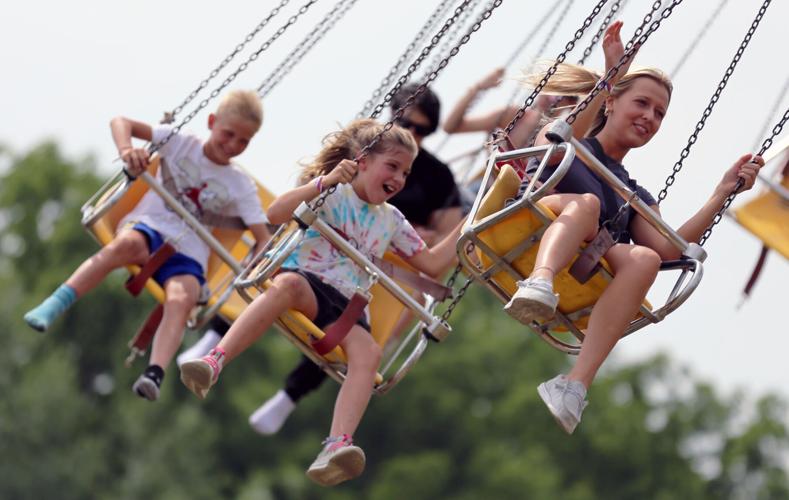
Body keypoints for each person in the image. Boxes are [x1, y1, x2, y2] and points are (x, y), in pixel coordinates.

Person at [502, 21, 763, 434]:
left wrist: (722, 193)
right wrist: (609, 74)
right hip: (532, 225)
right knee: (587, 205)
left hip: (583, 257)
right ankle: (539, 282)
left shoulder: (632, 192)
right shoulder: (573, 144)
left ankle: (573, 386)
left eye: (659, 113)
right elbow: (554, 144)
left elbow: (669, 249)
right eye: (642, 104)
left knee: (643, 257)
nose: (649, 117)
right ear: (610, 103)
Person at [179, 118, 462, 486]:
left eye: (405, 173)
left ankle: (337, 444)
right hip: (310, 286)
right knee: (286, 286)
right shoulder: (333, 192)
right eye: (392, 166)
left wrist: (470, 222)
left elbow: (433, 262)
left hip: (346, 307)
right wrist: (325, 181)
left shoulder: (391, 219)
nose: (399, 178)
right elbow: (276, 213)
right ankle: (215, 360)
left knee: (370, 354)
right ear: (362, 161)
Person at [23, 90, 271, 401]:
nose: (233, 145)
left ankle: (155, 372)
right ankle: (56, 302)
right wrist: (128, 149)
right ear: (211, 122)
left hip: (190, 250)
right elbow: (120, 122)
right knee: (124, 247)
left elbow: (262, 238)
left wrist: (255, 260)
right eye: (228, 134)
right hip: (151, 225)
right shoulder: (181, 142)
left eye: (243, 142)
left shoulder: (240, 185)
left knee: (183, 297)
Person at [442, 66, 578, 149]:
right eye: (549, 86)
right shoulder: (514, 116)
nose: (552, 96)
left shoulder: (564, 138)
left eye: (563, 94)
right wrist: (477, 88)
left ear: (571, 103)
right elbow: (451, 127)